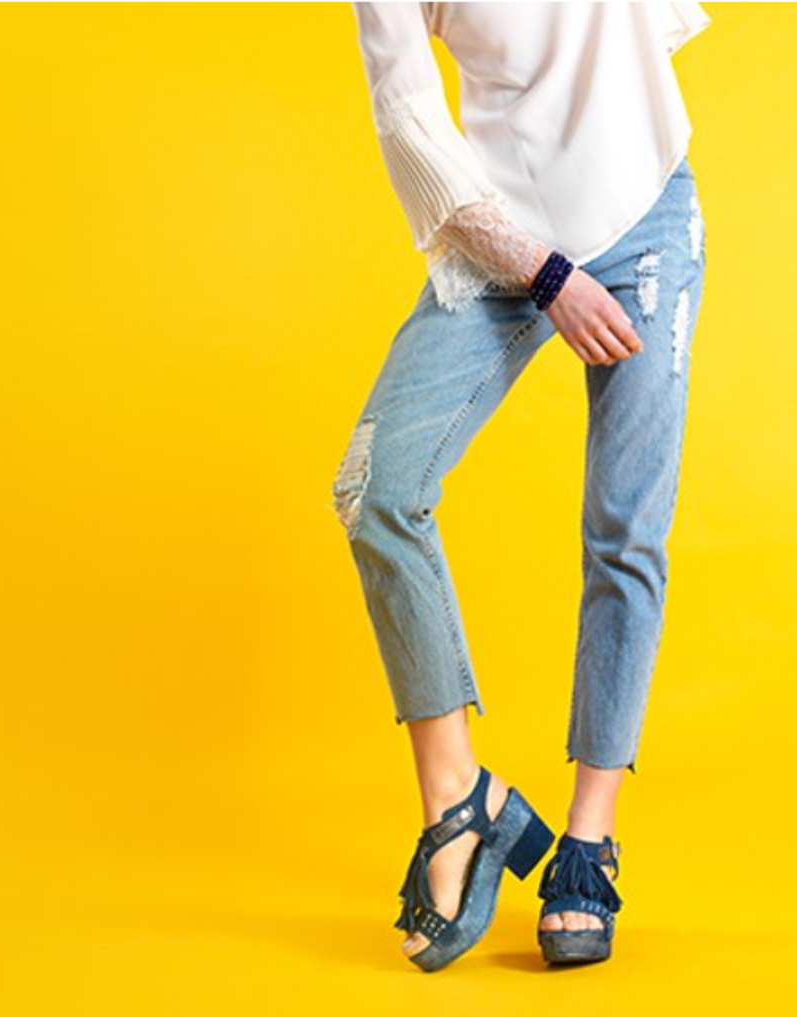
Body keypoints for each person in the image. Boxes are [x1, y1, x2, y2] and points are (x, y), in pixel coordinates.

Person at [335, 1, 711, 971]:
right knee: (376, 489)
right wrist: (545, 274)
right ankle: (459, 801)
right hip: (501, 235)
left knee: (625, 530)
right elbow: (409, 118)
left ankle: (590, 835)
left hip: (646, 221)